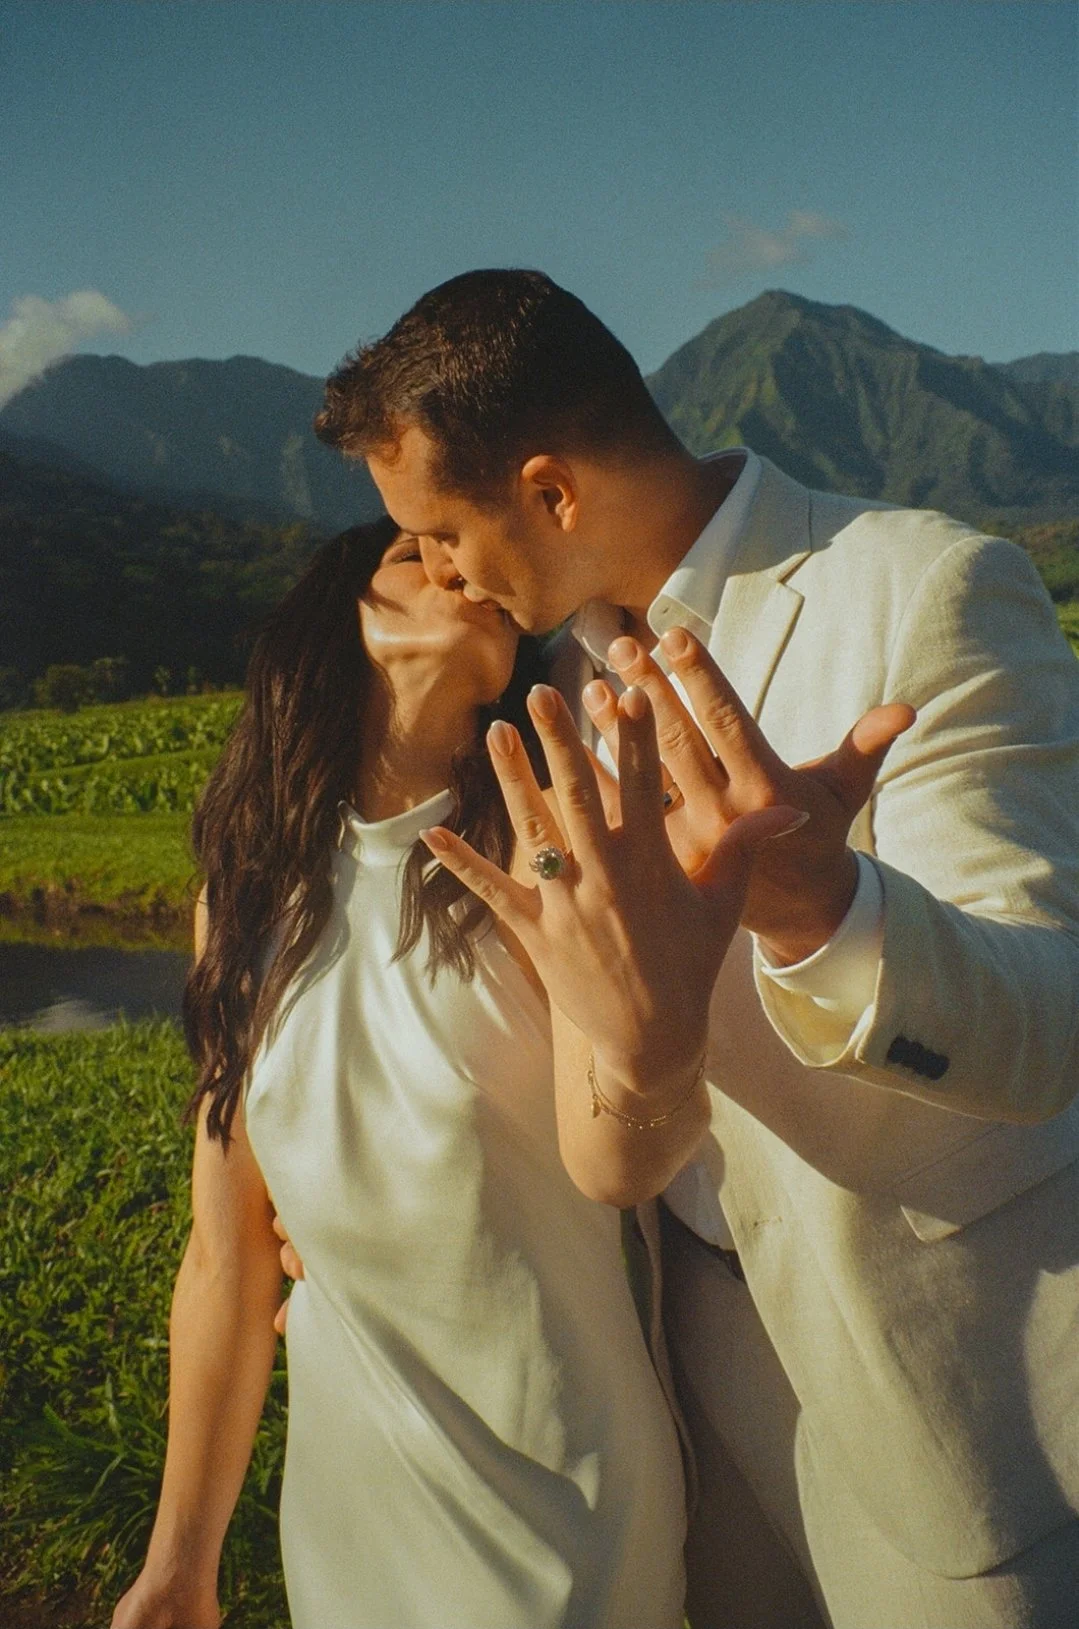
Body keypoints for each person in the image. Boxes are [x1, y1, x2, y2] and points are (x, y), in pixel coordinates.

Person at [312, 269, 1079, 1629]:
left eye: (442, 529)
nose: (442, 571)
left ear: (548, 491)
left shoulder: (924, 588)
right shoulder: (559, 691)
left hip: (948, 1400)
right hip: (690, 1392)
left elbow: (1049, 1020)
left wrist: (818, 908)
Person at [110, 516, 711, 1629]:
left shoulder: (549, 860)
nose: (449, 563)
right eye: (406, 555)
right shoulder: (246, 897)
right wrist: (178, 1564)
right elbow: (227, 1256)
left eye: (458, 547)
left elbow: (617, 1149)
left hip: (560, 1504)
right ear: (334, 623)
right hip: (351, 1501)